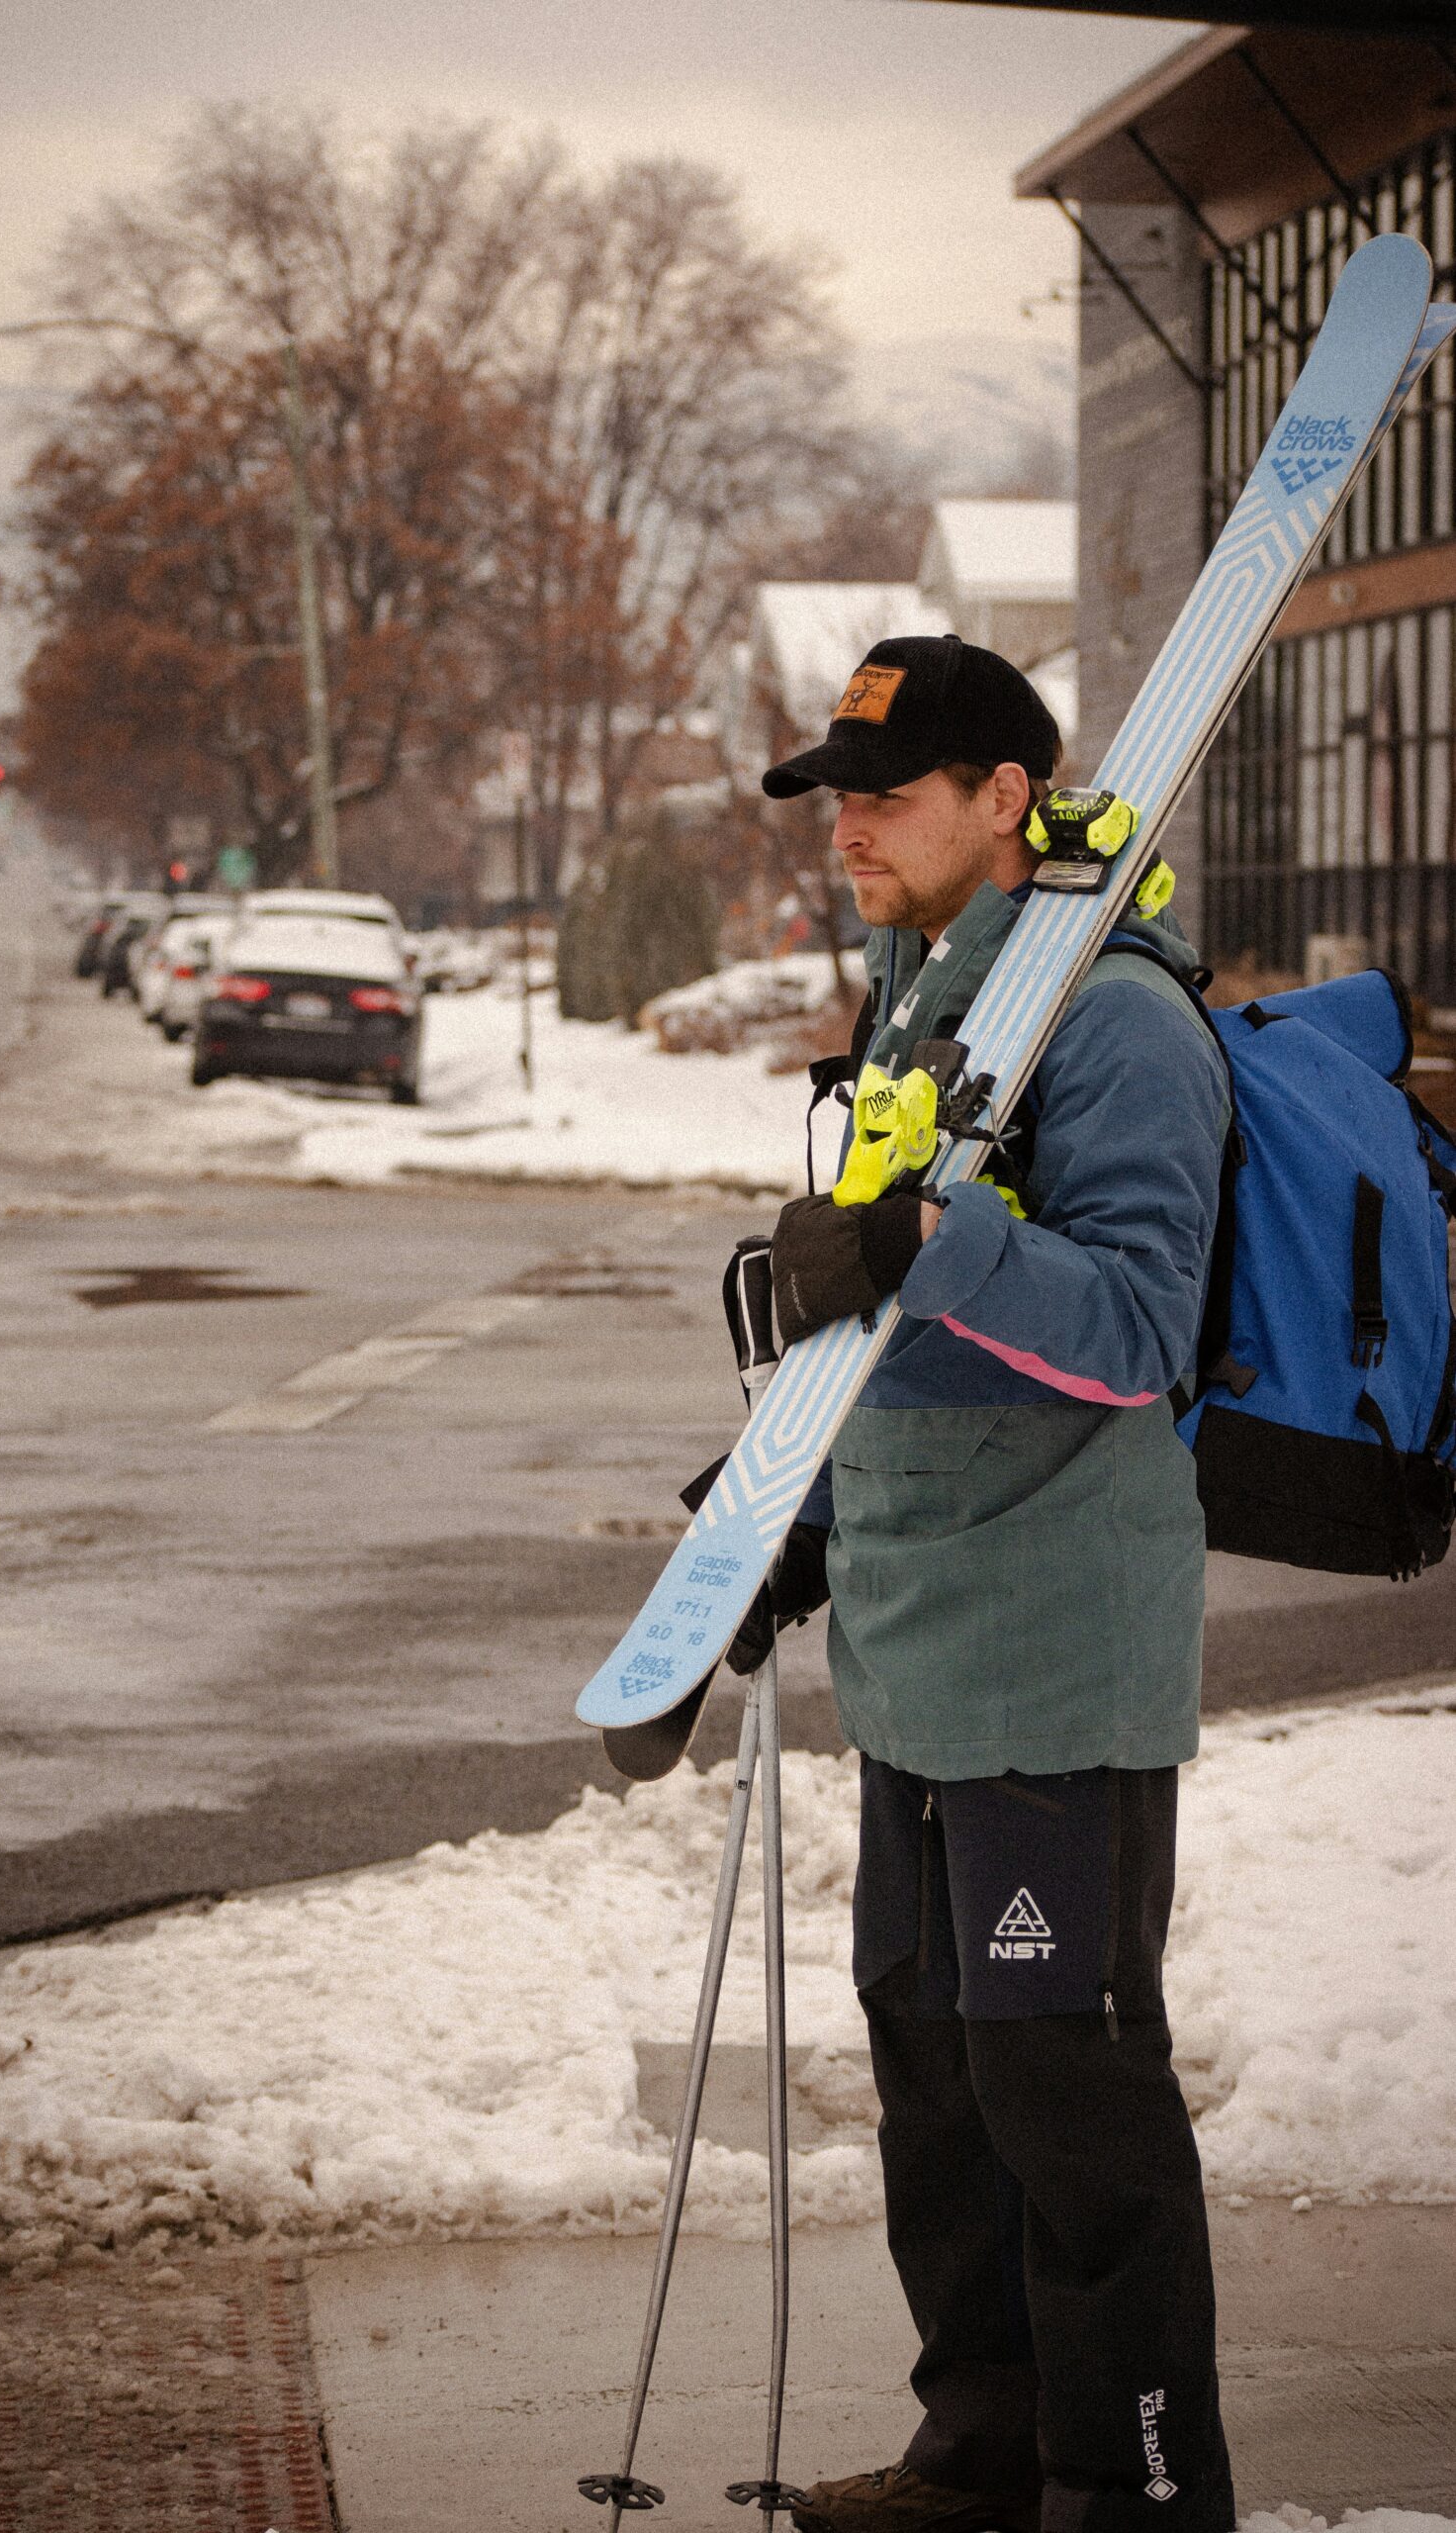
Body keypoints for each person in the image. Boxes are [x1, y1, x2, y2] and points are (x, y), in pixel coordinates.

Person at [737, 633, 1236, 2533]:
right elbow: (922, 1324)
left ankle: (1140, 2489)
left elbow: (1132, 1324)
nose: (846, 827)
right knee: (939, 2085)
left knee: (1069, 2100)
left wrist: (928, 1246)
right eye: (835, 795)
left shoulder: (1110, 1025)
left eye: (887, 794)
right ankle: (990, 2446)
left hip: (1052, 1665)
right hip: (921, 1656)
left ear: (1004, 802)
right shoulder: (918, 1005)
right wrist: (795, 1494)